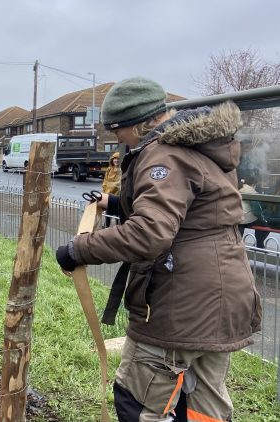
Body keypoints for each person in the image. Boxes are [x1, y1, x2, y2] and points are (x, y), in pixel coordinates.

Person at [55, 77, 261, 421]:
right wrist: (119, 203)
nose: (116, 139)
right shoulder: (202, 147)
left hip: (180, 306)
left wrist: (78, 249)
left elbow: (150, 233)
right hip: (224, 300)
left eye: (117, 130)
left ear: (135, 125)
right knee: (204, 408)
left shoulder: (163, 154)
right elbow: (192, 211)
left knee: (139, 401)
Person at [238, 175, 268, 248]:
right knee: (265, 225)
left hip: (237, 217)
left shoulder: (239, 188)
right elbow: (257, 211)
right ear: (253, 184)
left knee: (238, 238)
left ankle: (238, 248)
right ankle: (259, 244)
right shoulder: (252, 192)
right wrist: (263, 219)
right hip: (245, 219)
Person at [101, 151, 122, 227]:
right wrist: (104, 191)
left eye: (118, 159)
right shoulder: (109, 169)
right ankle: (106, 226)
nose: (116, 160)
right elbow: (105, 181)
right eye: (114, 158)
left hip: (116, 196)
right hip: (107, 195)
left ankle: (118, 226)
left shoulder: (121, 170)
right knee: (108, 211)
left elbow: (118, 183)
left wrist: (109, 187)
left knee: (117, 212)